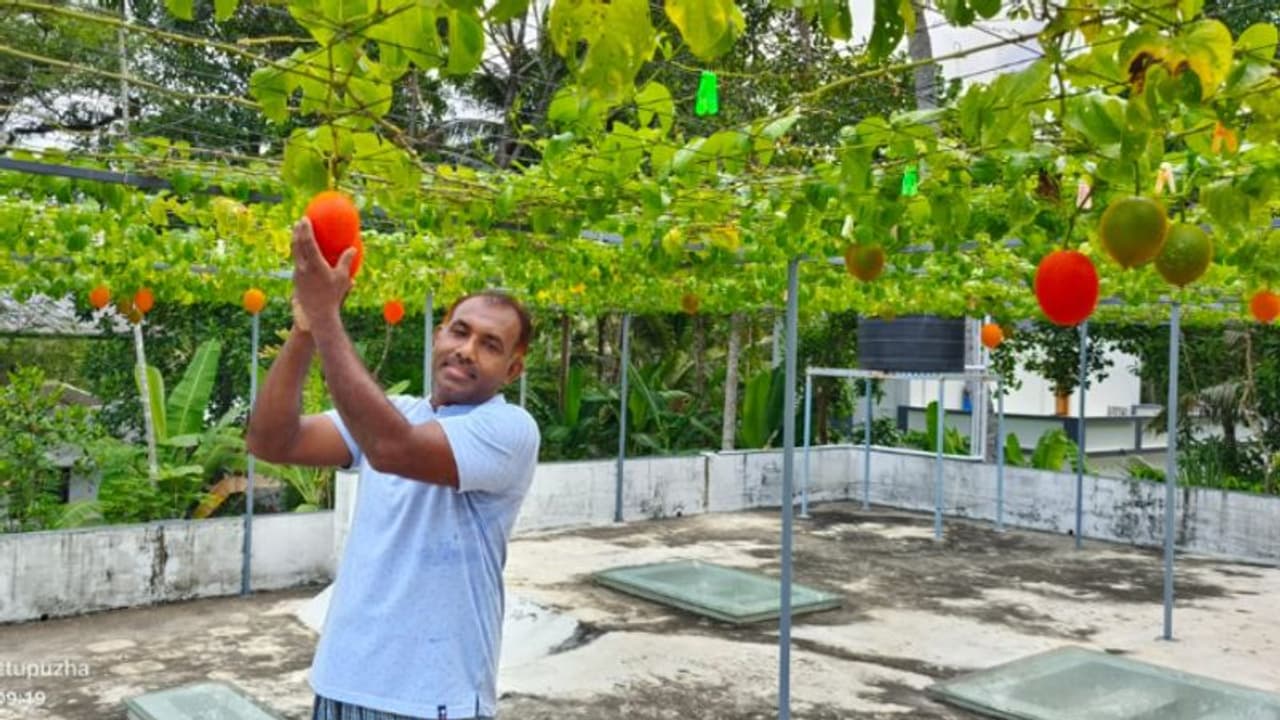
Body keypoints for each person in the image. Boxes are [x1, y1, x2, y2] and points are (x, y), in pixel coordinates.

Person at [246, 218, 540, 720]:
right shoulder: (399, 412)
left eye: (490, 345)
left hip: (431, 697)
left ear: (513, 369)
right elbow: (273, 439)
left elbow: (391, 449)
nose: (466, 350)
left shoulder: (509, 429)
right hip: (341, 680)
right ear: (438, 336)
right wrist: (304, 329)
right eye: (460, 332)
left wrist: (327, 314)